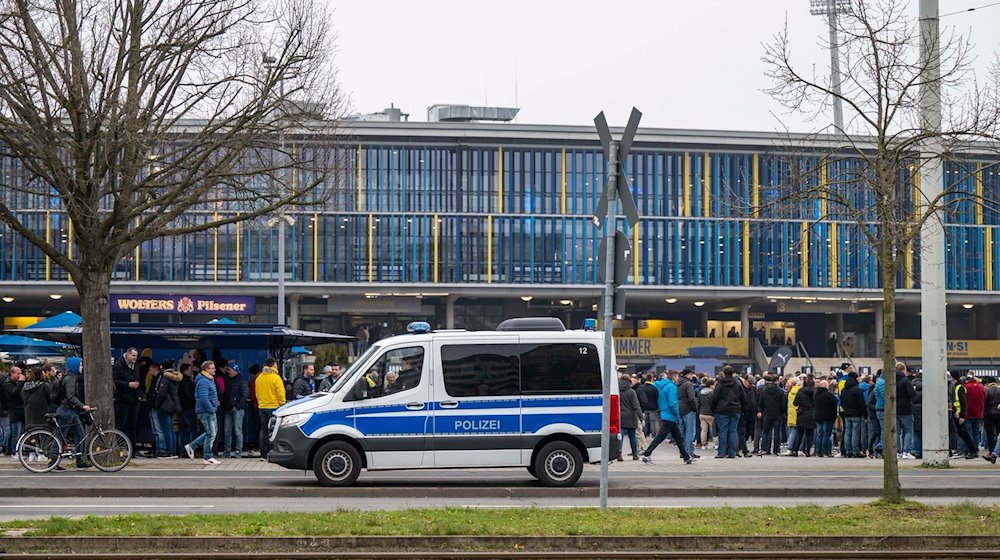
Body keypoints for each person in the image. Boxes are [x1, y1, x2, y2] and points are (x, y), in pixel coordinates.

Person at [639, 371, 694, 465]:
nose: (678, 379)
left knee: (678, 437)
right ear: (674, 377)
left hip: (664, 413)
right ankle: (646, 454)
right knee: (661, 436)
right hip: (670, 415)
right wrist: (677, 414)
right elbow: (673, 403)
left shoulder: (662, 386)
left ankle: (686, 457)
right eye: (677, 377)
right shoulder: (672, 387)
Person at [50, 367, 92, 469]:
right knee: (60, 436)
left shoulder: (68, 377)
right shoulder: (70, 379)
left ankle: (79, 460)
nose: (82, 367)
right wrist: (82, 406)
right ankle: (53, 462)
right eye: (80, 365)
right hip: (67, 410)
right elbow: (70, 396)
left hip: (69, 410)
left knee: (80, 433)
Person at [185, 361, 221, 465]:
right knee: (210, 434)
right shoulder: (204, 382)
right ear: (206, 370)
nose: (214, 369)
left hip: (208, 410)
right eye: (212, 368)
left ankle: (192, 446)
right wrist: (212, 409)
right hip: (206, 411)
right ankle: (207, 457)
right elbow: (203, 398)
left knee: (211, 433)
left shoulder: (207, 380)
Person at [711, 365, 748, 459]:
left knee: (722, 431)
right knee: (733, 431)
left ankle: (721, 452)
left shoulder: (720, 384)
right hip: (735, 410)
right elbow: (744, 397)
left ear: (723, 373)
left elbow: (715, 397)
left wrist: (713, 408)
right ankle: (732, 453)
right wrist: (743, 408)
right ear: (733, 373)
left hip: (722, 410)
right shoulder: (738, 383)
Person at [255, 359, 286, 461]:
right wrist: (283, 405)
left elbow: (257, 393)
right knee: (274, 431)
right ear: (273, 365)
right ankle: (272, 453)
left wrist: (261, 403)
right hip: (274, 407)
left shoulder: (259, 378)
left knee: (263, 431)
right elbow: (280, 393)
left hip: (262, 407)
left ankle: (262, 454)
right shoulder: (276, 378)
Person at [112, 347, 141, 446]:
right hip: (122, 399)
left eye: (136, 356)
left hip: (134, 399)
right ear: (127, 355)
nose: (135, 358)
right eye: (133, 355)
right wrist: (128, 384)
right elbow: (114, 381)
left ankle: (133, 449)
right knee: (121, 425)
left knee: (133, 425)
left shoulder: (136, 365)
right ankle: (119, 446)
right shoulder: (118, 365)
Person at [221, 360, 249, 459]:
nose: (228, 371)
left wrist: (236, 406)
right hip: (231, 408)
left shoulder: (240, 380)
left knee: (236, 431)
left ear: (234, 370)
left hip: (235, 409)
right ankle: (228, 451)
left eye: (229, 369)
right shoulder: (235, 380)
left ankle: (237, 451)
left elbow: (245, 395)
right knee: (228, 431)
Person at [154, 367, 182, 460]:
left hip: (165, 406)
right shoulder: (175, 377)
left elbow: (161, 393)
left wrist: (156, 405)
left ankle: (169, 452)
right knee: (171, 429)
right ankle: (173, 450)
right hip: (173, 405)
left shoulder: (165, 378)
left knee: (166, 429)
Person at [840, 371, 867, 458]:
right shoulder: (857, 389)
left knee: (847, 432)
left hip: (847, 413)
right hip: (856, 413)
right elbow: (861, 403)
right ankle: (855, 451)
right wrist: (864, 414)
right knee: (855, 432)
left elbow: (842, 402)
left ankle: (848, 451)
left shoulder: (844, 390)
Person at [895, 363, 917, 459]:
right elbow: (911, 393)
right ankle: (906, 451)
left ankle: (898, 452)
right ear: (903, 370)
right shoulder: (905, 380)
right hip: (906, 409)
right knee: (908, 431)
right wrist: (914, 390)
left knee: (897, 431)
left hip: (895, 409)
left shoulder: (891, 380)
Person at [618, 374, 642, 460]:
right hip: (631, 417)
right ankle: (635, 455)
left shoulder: (617, 391)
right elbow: (636, 405)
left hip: (620, 416)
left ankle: (619, 453)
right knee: (632, 436)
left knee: (620, 436)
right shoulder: (632, 392)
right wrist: (641, 417)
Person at [676, 368, 699, 460]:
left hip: (680, 408)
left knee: (683, 431)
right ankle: (689, 452)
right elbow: (691, 398)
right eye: (690, 374)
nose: (692, 376)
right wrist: (694, 408)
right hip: (688, 409)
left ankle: (683, 452)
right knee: (690, 432)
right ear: (687, 374)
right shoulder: (688, 384)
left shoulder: (678, 383)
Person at [3, 367, 25, 457]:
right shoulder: (8, 384)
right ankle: (14, 451)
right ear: (12, 373)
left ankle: (8, 449)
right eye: (18, 373)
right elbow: (15, 393)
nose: (20, 375)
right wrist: (20, 382)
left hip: (19, 409)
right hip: (14, 410)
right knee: (16, 432)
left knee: (12, 431)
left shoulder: (14, 383)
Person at [176, 363, 197, 458]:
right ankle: (192, 450)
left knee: (182, 431)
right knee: (193, 429)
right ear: (185, 370)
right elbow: (190, 395)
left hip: (180, 408)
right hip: (189, 408)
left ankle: (181, 451)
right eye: (190, 369)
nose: (191, 371)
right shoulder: (188, 382)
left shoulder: (178, 382)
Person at [791, 377, 816, 457]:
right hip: (811, 414)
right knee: (809, 435)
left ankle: (795, 450)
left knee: (799, 434)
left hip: (801, 414)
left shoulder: (800, 392)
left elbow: (795, 403)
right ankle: (808, 451)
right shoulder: (814, 392)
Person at [638, 373, 660, 438]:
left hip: (644, 408)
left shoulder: (641, 387)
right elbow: (657, 397)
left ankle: (645, 433)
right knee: (652, 421)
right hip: (653, 408)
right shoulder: (654, 388)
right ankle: (653, 434)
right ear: (651, 379)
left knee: (645, 421)